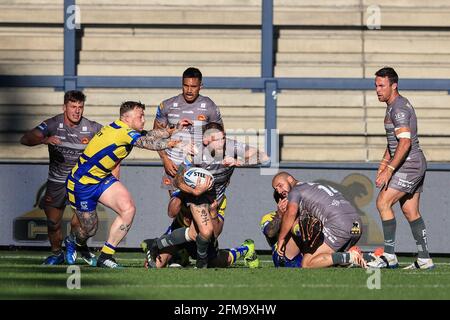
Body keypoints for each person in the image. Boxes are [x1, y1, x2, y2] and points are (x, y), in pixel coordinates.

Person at [66, 101, 190, 268]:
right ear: (126, 118)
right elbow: (147, 143)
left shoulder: (124, 129)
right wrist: (171, 143)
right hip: (82, 184)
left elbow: (148, 135)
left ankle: (106, 256)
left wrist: (171, 131)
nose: (143, 120)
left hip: (101, 179)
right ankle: (74, 242)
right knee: (89, 229)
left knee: (128, 208)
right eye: (140, 116)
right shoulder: (123, 132)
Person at [144, 122, 268, 268]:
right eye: (217, 140)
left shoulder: (231, 147)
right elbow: (177, 180)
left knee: (207, 241)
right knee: (154, 265)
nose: (223, 143)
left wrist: (240, 161)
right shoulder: (196, 152)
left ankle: (158, 244)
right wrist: (194, 191)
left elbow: (264, 157)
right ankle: (197, 262)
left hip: (216, 201)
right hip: (196, 197)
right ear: (206, 141)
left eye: (223, 138)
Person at [20, 90, 102, 265]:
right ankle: (57, 253)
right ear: (64, 107)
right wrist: (44, 140)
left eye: (80, 107)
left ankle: (78, 245)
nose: (77, 111)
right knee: (52, 222)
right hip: (56, 182)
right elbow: (26, 139)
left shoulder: (92, 127)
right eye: (73, 106)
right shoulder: (52, 123)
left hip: (80, 184)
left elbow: (110, 140)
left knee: (80, 223)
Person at [368, 67, 434, 269]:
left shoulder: (398, 109)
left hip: (410, 165)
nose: (377, 90)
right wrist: (383, 164)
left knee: (382, 202)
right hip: (413, 163)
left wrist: (389, 169)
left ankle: (389, 256)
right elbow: (393, 143)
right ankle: (424, 259)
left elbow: (404, 144)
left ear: (393, 86)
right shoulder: (393, 106)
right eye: (376, 86)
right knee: (410, 211)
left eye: (382, 86)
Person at [273, 172, 366, 269]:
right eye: (276, 189)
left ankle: (350, 256)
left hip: (340, 225)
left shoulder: (295, 191)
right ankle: (368, 256)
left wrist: (281, 239)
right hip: (357, 225)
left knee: (307, 263)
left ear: (290, 179)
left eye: (280, 185)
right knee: (329, 260)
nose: (279, 191)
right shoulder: (314, 186)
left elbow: (291, 213)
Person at [153, 67, 223, 191]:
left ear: (201, 86)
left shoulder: (209, 106)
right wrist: (165, 159)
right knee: (175, 207)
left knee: (199, 206)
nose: (189, 90)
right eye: (186, 86)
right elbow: (156, 136)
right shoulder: (167, 105)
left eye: (194, 87)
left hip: (200, 165)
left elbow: (219, 136)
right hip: (174, 163)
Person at [260, 191, 304, 268]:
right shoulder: (270, 217)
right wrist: (280, 215)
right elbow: (270, 233)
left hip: (306, 254)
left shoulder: (303, 215)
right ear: (281, 202)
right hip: (283, 258)